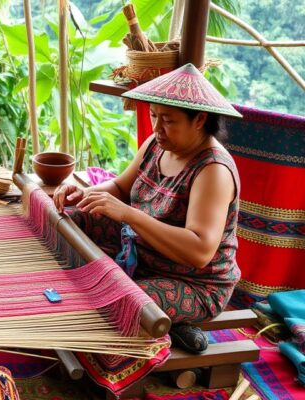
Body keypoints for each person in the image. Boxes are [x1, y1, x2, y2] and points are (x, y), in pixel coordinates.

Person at [53, 64, 243, 354]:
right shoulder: (157, 144)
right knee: (73, 219)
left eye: (167, 120)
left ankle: (170, 322)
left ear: (200, 120)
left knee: (119, 300)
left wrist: (129, 214)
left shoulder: (212, 170)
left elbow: (199, 251)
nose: (156, 128)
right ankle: (172, 323)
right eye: (154, 116)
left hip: (194, 282)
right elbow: (119, 189)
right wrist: (83, 195)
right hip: (143, 254)